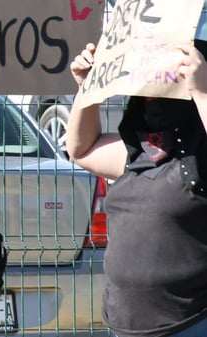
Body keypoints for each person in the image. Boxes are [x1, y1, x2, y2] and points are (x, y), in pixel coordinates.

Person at [65, 41, 207, 337]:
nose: (150, 102)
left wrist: (202, 92)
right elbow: (82, 149)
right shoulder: (140, 152)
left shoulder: (197, 154)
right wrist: (89, 89)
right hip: (124, 326)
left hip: (191, 323)